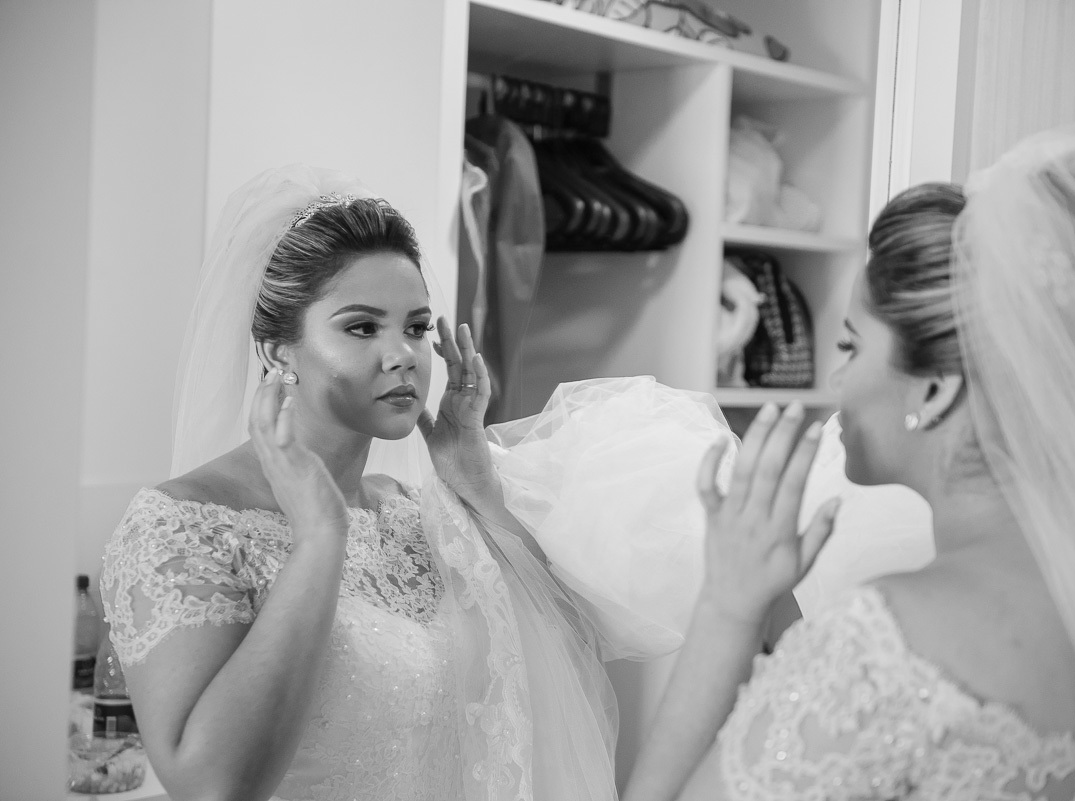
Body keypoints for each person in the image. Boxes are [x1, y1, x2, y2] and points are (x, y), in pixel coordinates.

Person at [99, 165, 731, 801]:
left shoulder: (409, 513)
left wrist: (477, 487)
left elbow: (564, 661)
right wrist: (319, 539)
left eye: (417, 327)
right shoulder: (180, 528)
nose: (403, 354)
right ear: (277, 350)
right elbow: (212, 785)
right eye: (362, 327)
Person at [622, 123, 1075, 801]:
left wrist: (728, 609)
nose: (837, 381)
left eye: (851, 346)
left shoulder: (877, 652)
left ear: (934, 391)